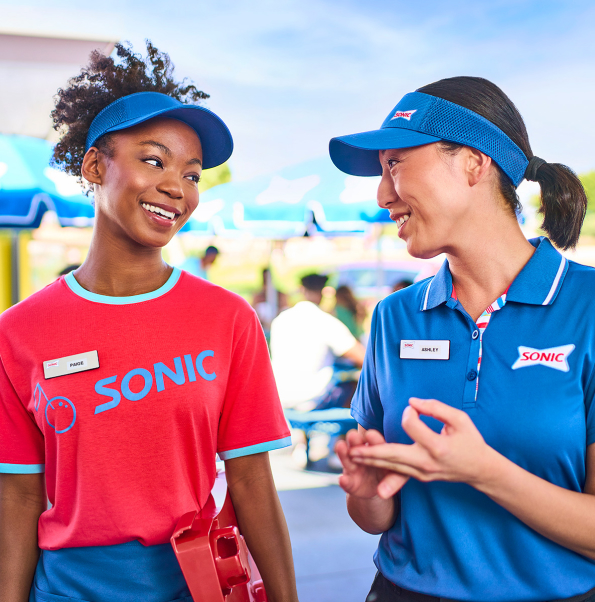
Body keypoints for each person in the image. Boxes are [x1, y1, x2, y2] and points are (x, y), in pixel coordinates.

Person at [0, 42, 298, 602]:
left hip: (196, 586)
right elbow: (17, 495)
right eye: (154, 161)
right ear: (94, 165)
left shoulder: (227, 319)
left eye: (192, 175)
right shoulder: (17, 333)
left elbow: (252, 480)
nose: (176, 189)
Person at [330, 76, 595, 601]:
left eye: (395, 164)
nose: (384, 196)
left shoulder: (587, 307)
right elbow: (378, 515)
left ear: (476, 162)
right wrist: (364, 493)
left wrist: (484, 472)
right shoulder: (393, 317)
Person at [270, 273, 365, 410]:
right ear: (323, 292)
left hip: (279, 396)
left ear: (301, 290)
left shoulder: (280, 319)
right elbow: (362, 358)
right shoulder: (325, 321)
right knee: (360, 389)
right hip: (312, 398)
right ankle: (349, 431)